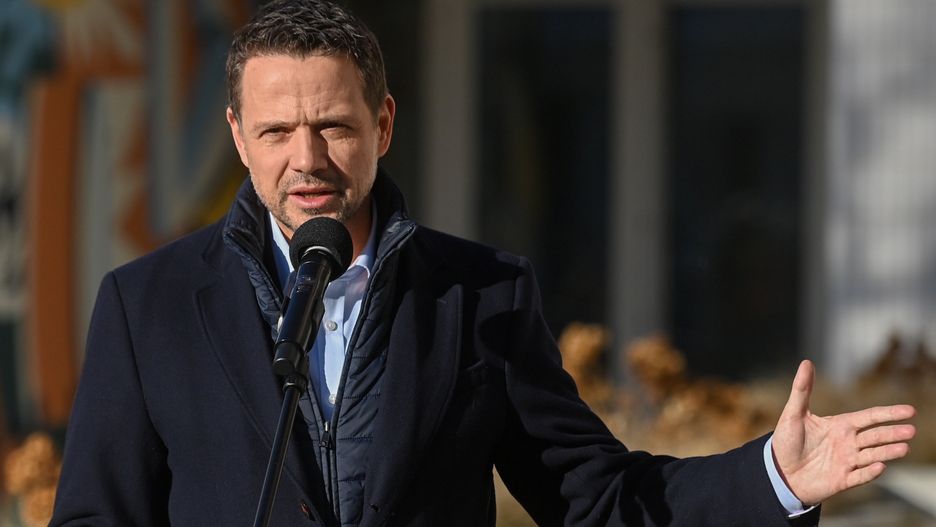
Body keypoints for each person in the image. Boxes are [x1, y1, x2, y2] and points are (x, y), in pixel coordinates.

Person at [50, 1, 916, 525]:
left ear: (383, 126)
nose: (306, 159)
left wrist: (772, 477)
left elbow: (595, 498)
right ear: (239, 137)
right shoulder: (146, 303)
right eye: (277, 131)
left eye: (334, 127)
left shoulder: (481, 294)